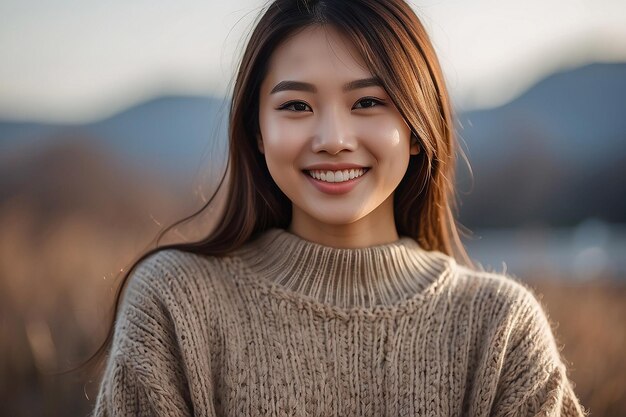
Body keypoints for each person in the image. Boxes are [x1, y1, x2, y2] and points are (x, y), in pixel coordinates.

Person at [88, 0, 588, 415]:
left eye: (368, 102)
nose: (332, 140)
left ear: (417, 127)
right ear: (257, 132)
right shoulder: (174, 305)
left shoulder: (499, 330)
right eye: (296, 106)